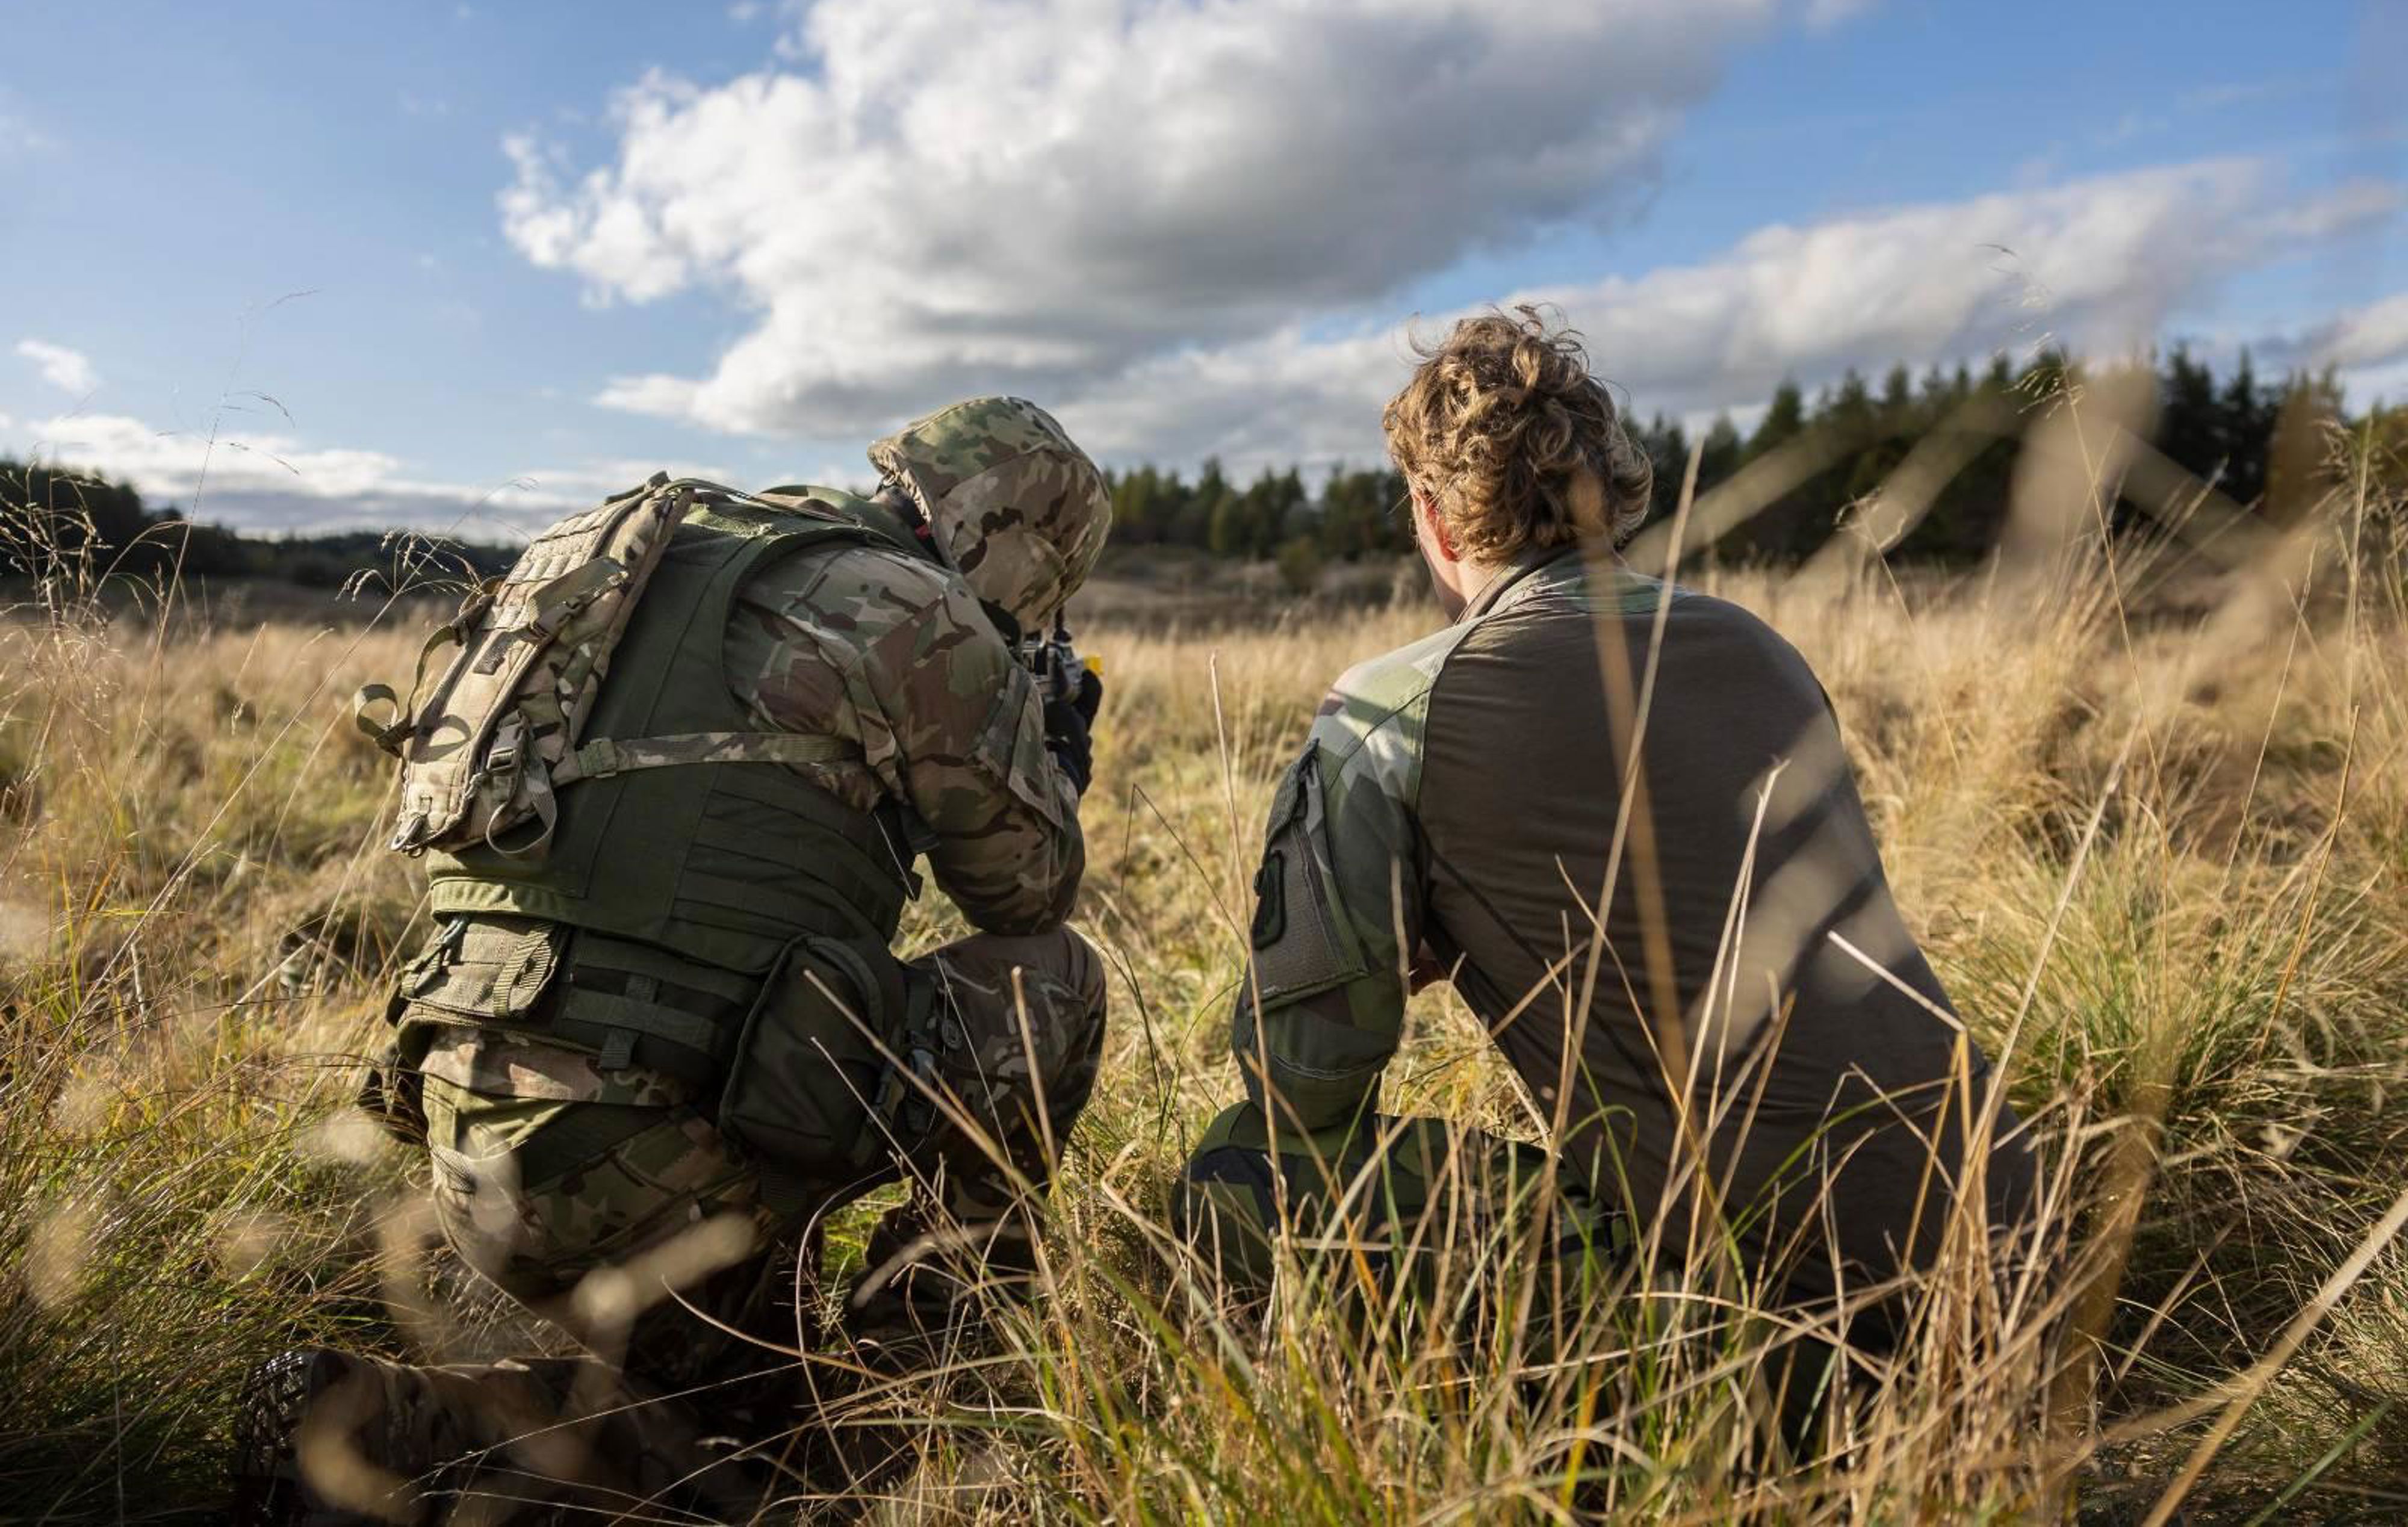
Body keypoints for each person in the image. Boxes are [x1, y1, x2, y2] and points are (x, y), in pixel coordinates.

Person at [232, 397, 1114, 1523]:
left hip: (458, 1121)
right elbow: (1027, 895)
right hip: (660, 1138)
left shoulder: (631, 551)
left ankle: (379, 1424)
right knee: (1057, 983)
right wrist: (1051, 752)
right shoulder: (923, 611)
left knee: (716, 1390)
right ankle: (903, 1397)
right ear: (1017, 547)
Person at [1178, 309, 2037, 1410]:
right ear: (1616, 490)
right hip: (2014, 1265)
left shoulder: (1393, 707)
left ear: (1432, 515)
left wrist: (1397, 945)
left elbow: (1298, 1081)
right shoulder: (1764, 650)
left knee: (1240, 1172)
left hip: (1775, 1326)